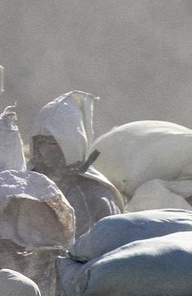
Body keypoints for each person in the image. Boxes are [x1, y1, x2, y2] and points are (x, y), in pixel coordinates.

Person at [30, 90, 124, 237]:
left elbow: (110, 240)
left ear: (71, 146)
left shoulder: (94, 194)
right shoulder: (27, 187)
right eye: (40, 143)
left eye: (52, 143)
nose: (44, 150)